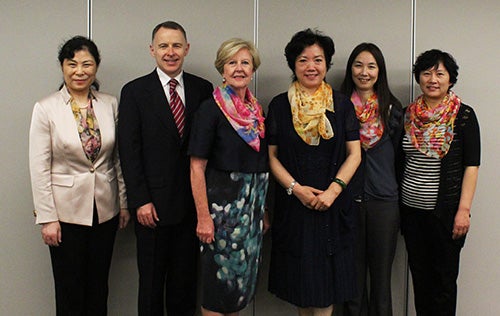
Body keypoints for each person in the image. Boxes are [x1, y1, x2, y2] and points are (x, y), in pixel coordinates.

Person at [29, 36, 129, 315]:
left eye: (87, 64)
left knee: (99, 287)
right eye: (72, 64)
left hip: (105, 210)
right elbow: (39, 167)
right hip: (65, 215)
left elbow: (117, 157)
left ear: (96, 67)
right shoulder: (46, 108)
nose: (79, 71)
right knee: (69, 288)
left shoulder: (109, 103)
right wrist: (47, 217)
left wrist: (122, 202)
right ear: (62, 67)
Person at [118, 21, 213, 316]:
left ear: (186, 49)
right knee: (151, 288)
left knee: (185, 288)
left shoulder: (203, 88)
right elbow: (128, 151)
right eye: (163, 46)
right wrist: (140, 200)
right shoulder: (134, 91)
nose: (170, 52)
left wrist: (204, 207)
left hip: (191, 207)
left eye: (176, 45)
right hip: (152, 209)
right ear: (152, 50)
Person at [267, 28, 361, 316]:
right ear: (293, 65)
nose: (311, 66)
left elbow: (355, 154)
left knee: (325, 292)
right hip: (294, 205)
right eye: (303, 60)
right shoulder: (280, 105)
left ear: (327, 64)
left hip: (332, 206)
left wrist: (333, 191)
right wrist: (296, 189)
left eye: (318, 60)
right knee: (301, 288)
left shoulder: (342, 104)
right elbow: (271, 157)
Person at [189, 38, 269, 316]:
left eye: (245, 62)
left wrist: (262, 212)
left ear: (253, 69)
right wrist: (203, 218)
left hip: (250, 217)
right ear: (221, 70)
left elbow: (259, 165)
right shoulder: (210, 109)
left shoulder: (256, 112)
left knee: (238, 292)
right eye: (231, 63)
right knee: (217, 292)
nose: (239, 68)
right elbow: (196, 168)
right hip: (221, 218)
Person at [399, 49, 480, 315]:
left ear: (450, 79)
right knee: (420, 282)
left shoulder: (464, 116)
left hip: (446, 215)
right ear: (418, 78)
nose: (432, 79)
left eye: (439, 73)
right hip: (411, 213)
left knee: (444, 284)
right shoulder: (407, 116)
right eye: (426, 73)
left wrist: (463, 211)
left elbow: (471, 166)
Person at [340, 43, 403, 316]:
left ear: (380, 71)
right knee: (351, 283)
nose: (364, 72)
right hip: (347, 201)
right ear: (350, 69)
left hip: (384, 203)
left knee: (381, 283)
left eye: (371, 66)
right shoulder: (338, 105)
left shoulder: (392, 108)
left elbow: (401, 158)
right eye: (358, 65)